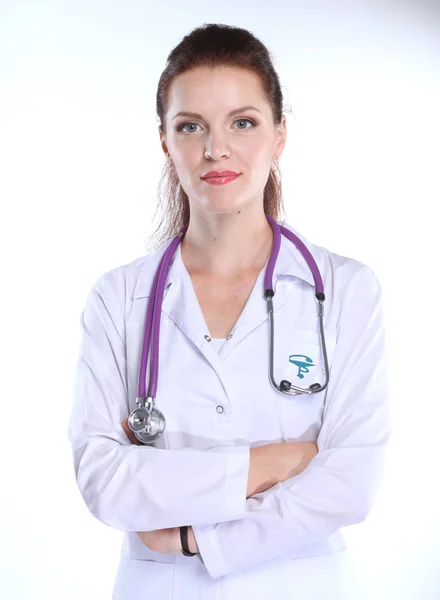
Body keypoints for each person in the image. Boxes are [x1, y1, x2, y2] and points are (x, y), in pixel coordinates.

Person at [67, 23, 390, 600]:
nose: (216, 149)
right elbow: (104, 482)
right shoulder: (118, 298)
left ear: (280, 134)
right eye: (191, 127)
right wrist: (277, 461)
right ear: (165, 142)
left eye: (243, 122)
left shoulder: (347, 289)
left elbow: (351, 484)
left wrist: (198, 539)